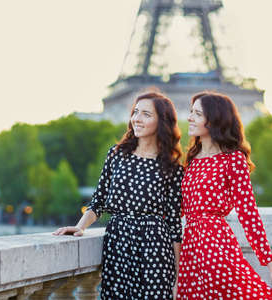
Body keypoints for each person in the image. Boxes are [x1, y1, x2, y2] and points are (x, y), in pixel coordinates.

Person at [53, 92, 184, 300]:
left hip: (155, 247)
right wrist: (80, 226)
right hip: (118, 244)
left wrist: (178, 278)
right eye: (135, 112)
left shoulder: (172, 166)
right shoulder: (116, 154)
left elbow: (175, 225)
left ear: (162, 122)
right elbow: (99, 200)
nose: (137, 119)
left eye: (146, 114)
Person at [177, 91, 272, 299]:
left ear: (215, 120)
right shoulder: (193, 159)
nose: (189, 118)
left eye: (197, 114)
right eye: (191, 112)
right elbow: (182, 208)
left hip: (216, 247)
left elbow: (249, 215)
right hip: (190, 251)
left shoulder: (233, 160)